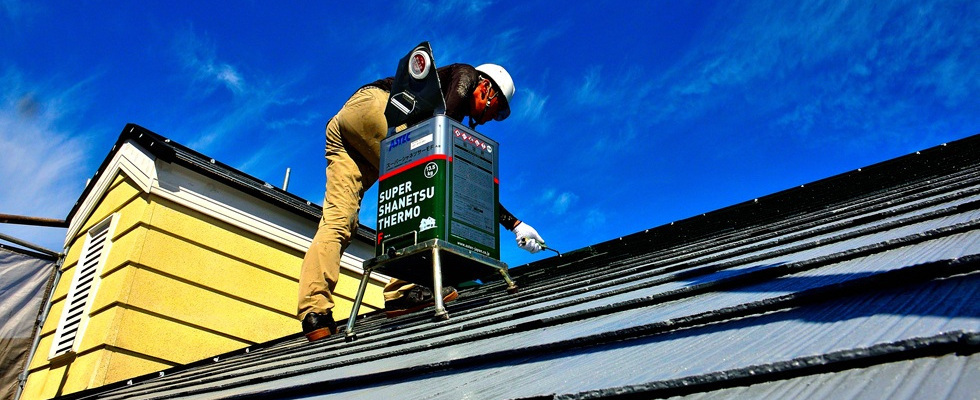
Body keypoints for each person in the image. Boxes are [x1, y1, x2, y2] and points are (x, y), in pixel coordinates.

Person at [299, 63, 547, 342]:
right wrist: (513, 224)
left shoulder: (450, 92)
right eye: (497, 109)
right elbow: (449, 161)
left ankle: (315, 313)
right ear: (486, 87)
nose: (491, 119)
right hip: (380, 108)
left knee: (338, 221)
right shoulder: (465, 75)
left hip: (346, 121)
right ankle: (402, 291)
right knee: (425, 184)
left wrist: (514, 225)